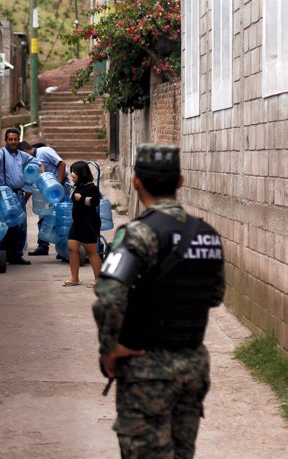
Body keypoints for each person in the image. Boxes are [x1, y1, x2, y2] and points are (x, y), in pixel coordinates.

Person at [93, 143, 226, 458]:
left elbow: (108, 297)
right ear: (180, 181)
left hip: (147, 371)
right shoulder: (206, 234)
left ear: (135, 181)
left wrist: (111, 348)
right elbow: (215, 295)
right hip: (193, 367)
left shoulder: (137, 234)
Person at [0, 128, 41, 265]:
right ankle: (2, 249)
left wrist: (40, 173)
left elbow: (36, 162)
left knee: (21, 226)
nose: (13, 142)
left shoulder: (22, 155)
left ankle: (15, 255)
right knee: (13, 225)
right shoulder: (1, 153)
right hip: (6, 195)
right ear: (6, 140)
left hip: (19, 194)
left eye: (16, 139)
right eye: (10, 139)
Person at [18, 141, 67, 256]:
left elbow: (62, 164)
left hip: (58, 190)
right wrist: (23, 202)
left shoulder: (44, 152)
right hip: (44, 194)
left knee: (61, 219)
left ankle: (63, 247)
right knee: (44, 219)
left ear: (26, 151)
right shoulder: (31, 164)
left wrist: (58, 185)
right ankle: (43, 246)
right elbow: (31, 184)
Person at [63, 161, 103, 287]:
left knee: (91, 251)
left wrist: (82, 199)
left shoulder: (91, 188)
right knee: (72, 247)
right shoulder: (77, 187)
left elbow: (94, 202)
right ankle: (74, 278)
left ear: (81, 173)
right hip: (77, 223)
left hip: (89, 223)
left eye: (74, 172)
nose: (72, 175)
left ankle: (99, 280)